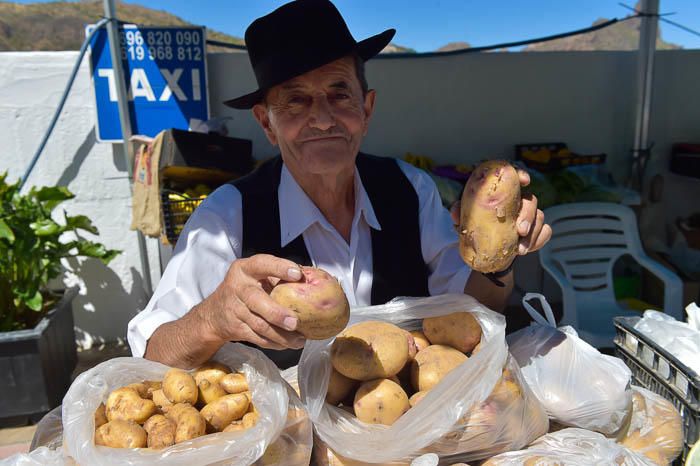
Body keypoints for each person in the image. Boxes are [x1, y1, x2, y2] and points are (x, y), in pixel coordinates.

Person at [127, 0, 551, 369]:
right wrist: (211, 318)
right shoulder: (227, 216)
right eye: (295, 99)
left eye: (339, 93)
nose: (324, 118)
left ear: (366, 110)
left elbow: (474, 311)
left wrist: (499, 263)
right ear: (266, 123)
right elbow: (150, 356)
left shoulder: (411, 189)